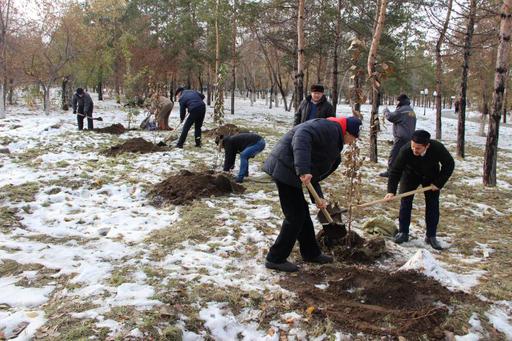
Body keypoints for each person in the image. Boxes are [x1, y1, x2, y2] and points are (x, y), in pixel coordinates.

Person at [263, 116, 363, 272]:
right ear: (348, 133)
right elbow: (302, 135)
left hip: (291, 170)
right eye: (353, 138)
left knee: (302, 212)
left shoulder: (334, 136)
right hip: (284, 167)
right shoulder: (329, 128)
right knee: (295, 215)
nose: (351, 142)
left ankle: (311, 252)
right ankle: (275, 258)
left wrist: (318, 197)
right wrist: (303, 169)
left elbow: (314, 170)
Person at [384, 130, 455, 250]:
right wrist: (391, 191)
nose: (414, 150)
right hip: (410, 175)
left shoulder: (437, 148)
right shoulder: (405, 150)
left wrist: (438, 183)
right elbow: (395, 171)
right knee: (405, 202)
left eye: (418, 148)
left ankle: (431, 236)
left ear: (427, 146)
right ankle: (403, 232)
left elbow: (449, 164)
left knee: (432, 204)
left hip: (431, 176)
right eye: (413, 146)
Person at [380, 94, 416, 177]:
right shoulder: (410, 110)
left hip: (401, 137)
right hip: (410, 137)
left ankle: (391, 172)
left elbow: (390, 117)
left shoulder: (401, 110)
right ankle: (405, 172)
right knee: (405, 155)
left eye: (397, 101)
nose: (396, 103)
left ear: (401, 101)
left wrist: (385, 110)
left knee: (394, 154)